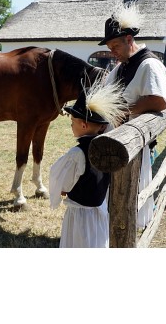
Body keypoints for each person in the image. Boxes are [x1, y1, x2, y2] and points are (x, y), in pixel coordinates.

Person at [99, 3, 166, 230]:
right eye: (110, 47)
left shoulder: (149, 65)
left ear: (129, 39)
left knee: (130, 194)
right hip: (115, 143)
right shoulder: (121, 67)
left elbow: (158, 100)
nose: (113, 52)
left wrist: (125, 112)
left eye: (116, 46)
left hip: (134, 144)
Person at [49, 80, 128, 248]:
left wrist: (60, 191)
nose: (71, 125)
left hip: (80, 216)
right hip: (99, 213)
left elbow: (62, 183)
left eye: (72, 121)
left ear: (83, 124)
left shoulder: (76, 154)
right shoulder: (107, 149)